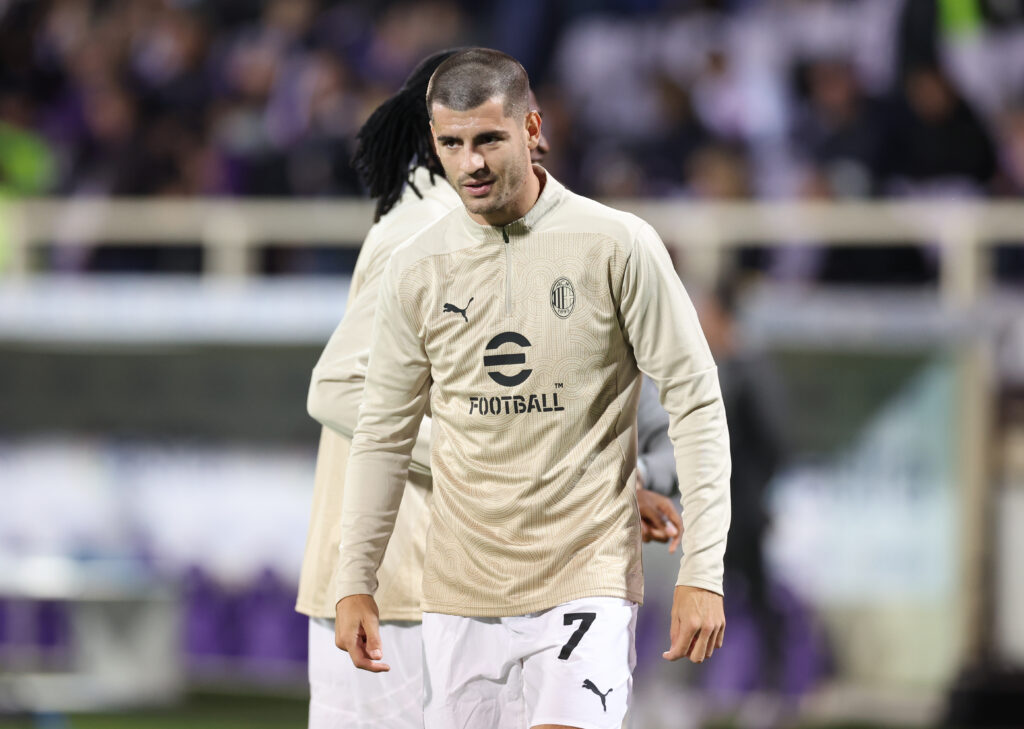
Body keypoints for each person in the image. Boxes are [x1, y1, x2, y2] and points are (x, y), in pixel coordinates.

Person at [333, 48, 730, 729]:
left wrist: (703, 569)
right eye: (451, 144)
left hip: (585, 579)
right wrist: (354, 579)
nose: (470, 163)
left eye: (488, 139)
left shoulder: (617, 244)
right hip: (459, 594)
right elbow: (381, 435)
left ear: (532, 128)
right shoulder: (416, 268)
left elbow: (696, 401)